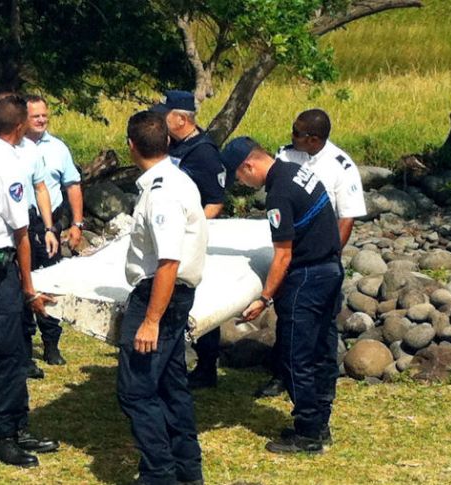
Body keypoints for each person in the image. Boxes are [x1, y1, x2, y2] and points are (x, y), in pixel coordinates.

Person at [220, 136, 344, 454]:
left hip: (306, 278)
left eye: (239, 177)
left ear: (248, 165)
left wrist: (264, 298)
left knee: (294, 356)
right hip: (330, 268)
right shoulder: (295, 171)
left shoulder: (278, 193)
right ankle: (319, 423)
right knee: (319, 350)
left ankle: (308, 434)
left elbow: (283, 256)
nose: (241, 184)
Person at [0, 94, 59, 466]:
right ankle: (3, 434)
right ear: (19, 127)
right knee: (7, 351)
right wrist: (29, 286)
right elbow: (21, 232)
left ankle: (19, 426)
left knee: (16, 347)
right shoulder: (8, 164)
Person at [117, 111, 207, 485]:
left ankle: (159, 474)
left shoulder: (161, 194)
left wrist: (150, 320)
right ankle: (187, 469)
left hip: (159, 296)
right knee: (171, 387)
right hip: (173, 294)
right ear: (168, 142)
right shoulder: (179, 179)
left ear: (131, 146)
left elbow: (169, 261)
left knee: (136, 392)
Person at [255, 108, 367, 398]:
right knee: (287, 316)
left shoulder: (340, 166)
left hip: (319, 255)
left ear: (314, 139)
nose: (291, 136)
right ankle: (282, 374)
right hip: (290, 249)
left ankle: (323, 382)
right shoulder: (286, 155)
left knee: (323, 325)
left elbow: (347, 217)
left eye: (297, 132)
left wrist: (328, 254)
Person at [150, 90, 225, 391]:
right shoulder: (175, 147)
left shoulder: (204, 151)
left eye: (164, 115)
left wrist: (194, 231)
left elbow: (216, 200)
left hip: (192, 239)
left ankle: (206, 367)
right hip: (171, 231)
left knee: (199, 299)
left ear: (181, 119)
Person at [21, 94, 86, 366]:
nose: (41, 120)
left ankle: (51, 344)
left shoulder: (58, 148)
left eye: (44, 115)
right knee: (21, 284)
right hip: (22, 225)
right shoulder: (13, 147)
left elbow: (72, 185)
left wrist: (77, 224)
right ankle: (22, 346)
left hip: (51, 227)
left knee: (50, 283)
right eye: (35, 116)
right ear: (22, 118)